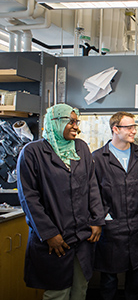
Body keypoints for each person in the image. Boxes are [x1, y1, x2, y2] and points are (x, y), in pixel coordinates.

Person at [16, 104, 105, 299]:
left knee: (80, 289)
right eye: (70, 121)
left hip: (82, 236)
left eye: (76, 122)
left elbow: (92, 185)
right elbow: (29, 198)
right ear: (54, 122)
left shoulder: (80, 148)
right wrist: (49, 234)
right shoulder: (33, 152)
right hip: (55, 238)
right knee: (58, 292)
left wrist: (97, 220)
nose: (76, 127)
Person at [92, 111, 138, 300]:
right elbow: (92, 193)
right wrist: (104, 216)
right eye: (129, 127)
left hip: (136, 226)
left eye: (135, 126)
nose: (134, 131)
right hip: (111, 227)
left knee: (136, 276)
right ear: (115, 129)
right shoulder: (98, 158)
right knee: (109, 278)